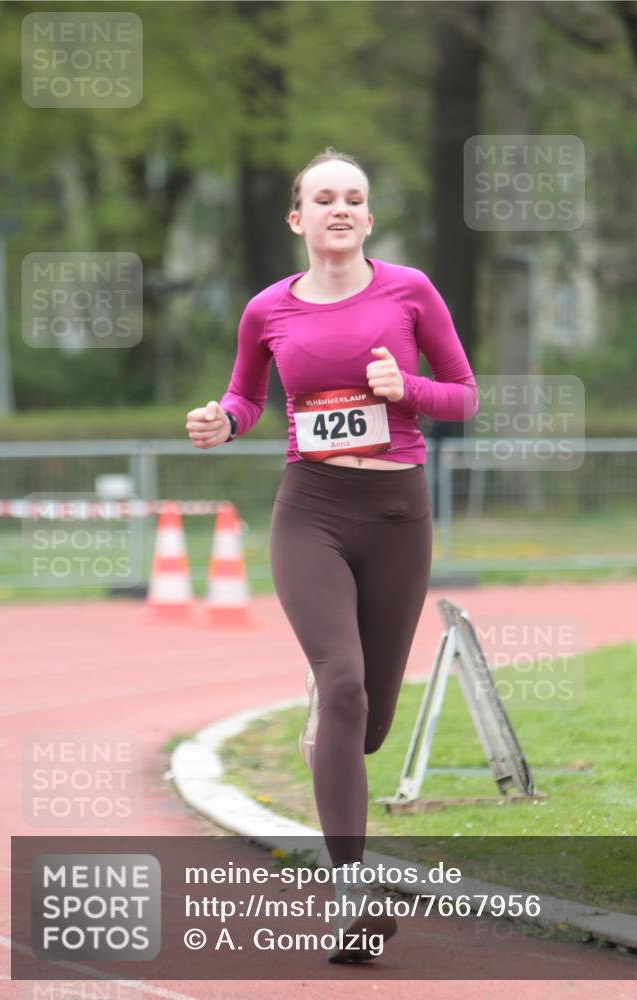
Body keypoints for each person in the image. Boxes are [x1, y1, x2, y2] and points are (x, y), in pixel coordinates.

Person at [186, 147, 478, 962]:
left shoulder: (409, 291)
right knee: (341, 681)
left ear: (369, 218)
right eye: (324, 198)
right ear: (298, 218)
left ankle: (334, 722)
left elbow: (463, 393)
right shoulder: (266, 310)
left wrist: (406, 391)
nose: (339, 209)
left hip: (397, 514)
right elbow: (246, 395)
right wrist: (224, 420)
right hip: (309, 510)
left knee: (368, 723)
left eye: (354, 197)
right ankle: (351, 894)